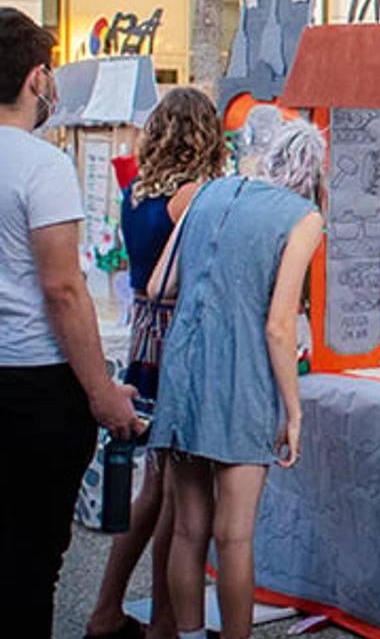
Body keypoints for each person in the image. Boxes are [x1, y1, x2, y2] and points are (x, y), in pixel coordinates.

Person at [147, 120, 326, 639]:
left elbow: (161, 283)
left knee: (187, 527)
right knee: (235, 535)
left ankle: (187, 634)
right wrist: (293, 412)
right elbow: (278, 325)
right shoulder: (303, 218)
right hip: (243, 377)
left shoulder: (207, 193)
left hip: (184, 372)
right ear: (311, 174)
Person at [0, 7, 142, 637]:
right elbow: (63, 288)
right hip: (32, 382)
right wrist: (102, 393)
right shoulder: (41, 166)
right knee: (30, 560)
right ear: (37, 79)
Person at [85, 87, 227, 639]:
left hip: (144, 335)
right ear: (205, 135)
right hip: (180, 341)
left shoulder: (135, 191)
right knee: (177, 492)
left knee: (154, 487)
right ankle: (164, 623)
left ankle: (106, 612)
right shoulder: (195, 196)